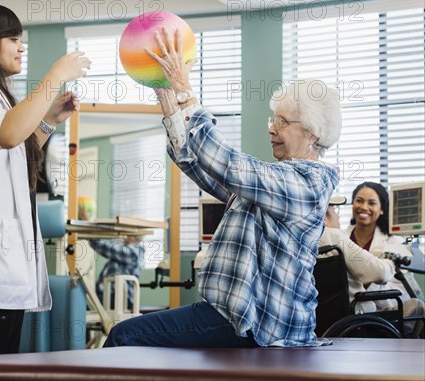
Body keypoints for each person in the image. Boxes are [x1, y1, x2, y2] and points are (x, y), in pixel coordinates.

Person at [104, 28, 342, 348]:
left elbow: (227, 163)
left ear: (313, 133)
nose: (271, 127)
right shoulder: (274, 182)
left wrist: (184, 89)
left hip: (257, 326)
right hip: (230, 316)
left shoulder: (307, 185)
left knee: (125, 335)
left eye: (282, 122)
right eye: (273, 119)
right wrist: (167, 98)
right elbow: (197, 163)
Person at [0, 1, 91, 356]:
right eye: (12, 38)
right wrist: (56, 74)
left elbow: (18, 152)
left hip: (3, 263)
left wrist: (49, 120)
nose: (21, 46)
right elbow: (8, 135)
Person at [346, 181, 424, 337]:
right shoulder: (340, 239)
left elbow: (403, 291)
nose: (364, 207)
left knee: (417, 306)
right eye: (359, 201)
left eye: (372, 203)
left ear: (382, 209)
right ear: (353, 204)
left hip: (382, 310)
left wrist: (371, 282)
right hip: (346, 311)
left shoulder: (394, 244)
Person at [320, 201, 396, 314]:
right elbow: (378, 272)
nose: (338, 215)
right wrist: (390, 262)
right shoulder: (333, 236)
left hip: (323, 318)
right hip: (356, 317)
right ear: (324, 217)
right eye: (334, 210)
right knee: (416, 306)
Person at [89, 236, 145, 311]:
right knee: (87, 307)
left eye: (129, 235)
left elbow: (109, 249)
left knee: (86, 308)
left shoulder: (135, 251)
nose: (125, 236)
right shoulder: (124, 250)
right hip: (111, 294)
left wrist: (94, 238)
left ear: (136, 237)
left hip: (121, 296)